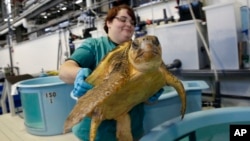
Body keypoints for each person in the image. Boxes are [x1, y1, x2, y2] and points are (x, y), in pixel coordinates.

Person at [59, 4, 162, 141]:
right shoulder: (94, 46)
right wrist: (79, 74)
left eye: (132, 22)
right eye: (123, 19)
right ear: (109, 22)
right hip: (95, 135)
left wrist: (150, 95)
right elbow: (64, 70)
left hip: (131, 132)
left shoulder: (142, 53)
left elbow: (144, 97)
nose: (129, 24)